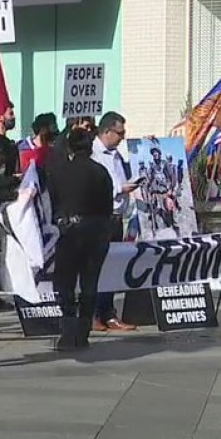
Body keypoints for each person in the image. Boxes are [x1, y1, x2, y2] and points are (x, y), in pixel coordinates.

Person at [45, 126, 115, 352]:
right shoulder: (101, 171)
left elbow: (51, 203)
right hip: (96, 231)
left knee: (64, 282)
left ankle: (68, 332)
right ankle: (83, 333)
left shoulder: (58, 171)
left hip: (69, 231)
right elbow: (107, 207)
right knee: (89, 283)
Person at [88, 112, 137, 334]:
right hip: (101, 216)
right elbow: (95, 184)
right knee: (97, 268)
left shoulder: (116, 154)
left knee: (113, 266)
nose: (122, 138)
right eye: (119, 133)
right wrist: (120, 189)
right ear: (107, 131)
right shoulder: (93, 153)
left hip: (117, 216)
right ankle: (94, 313)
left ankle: (108, 312)